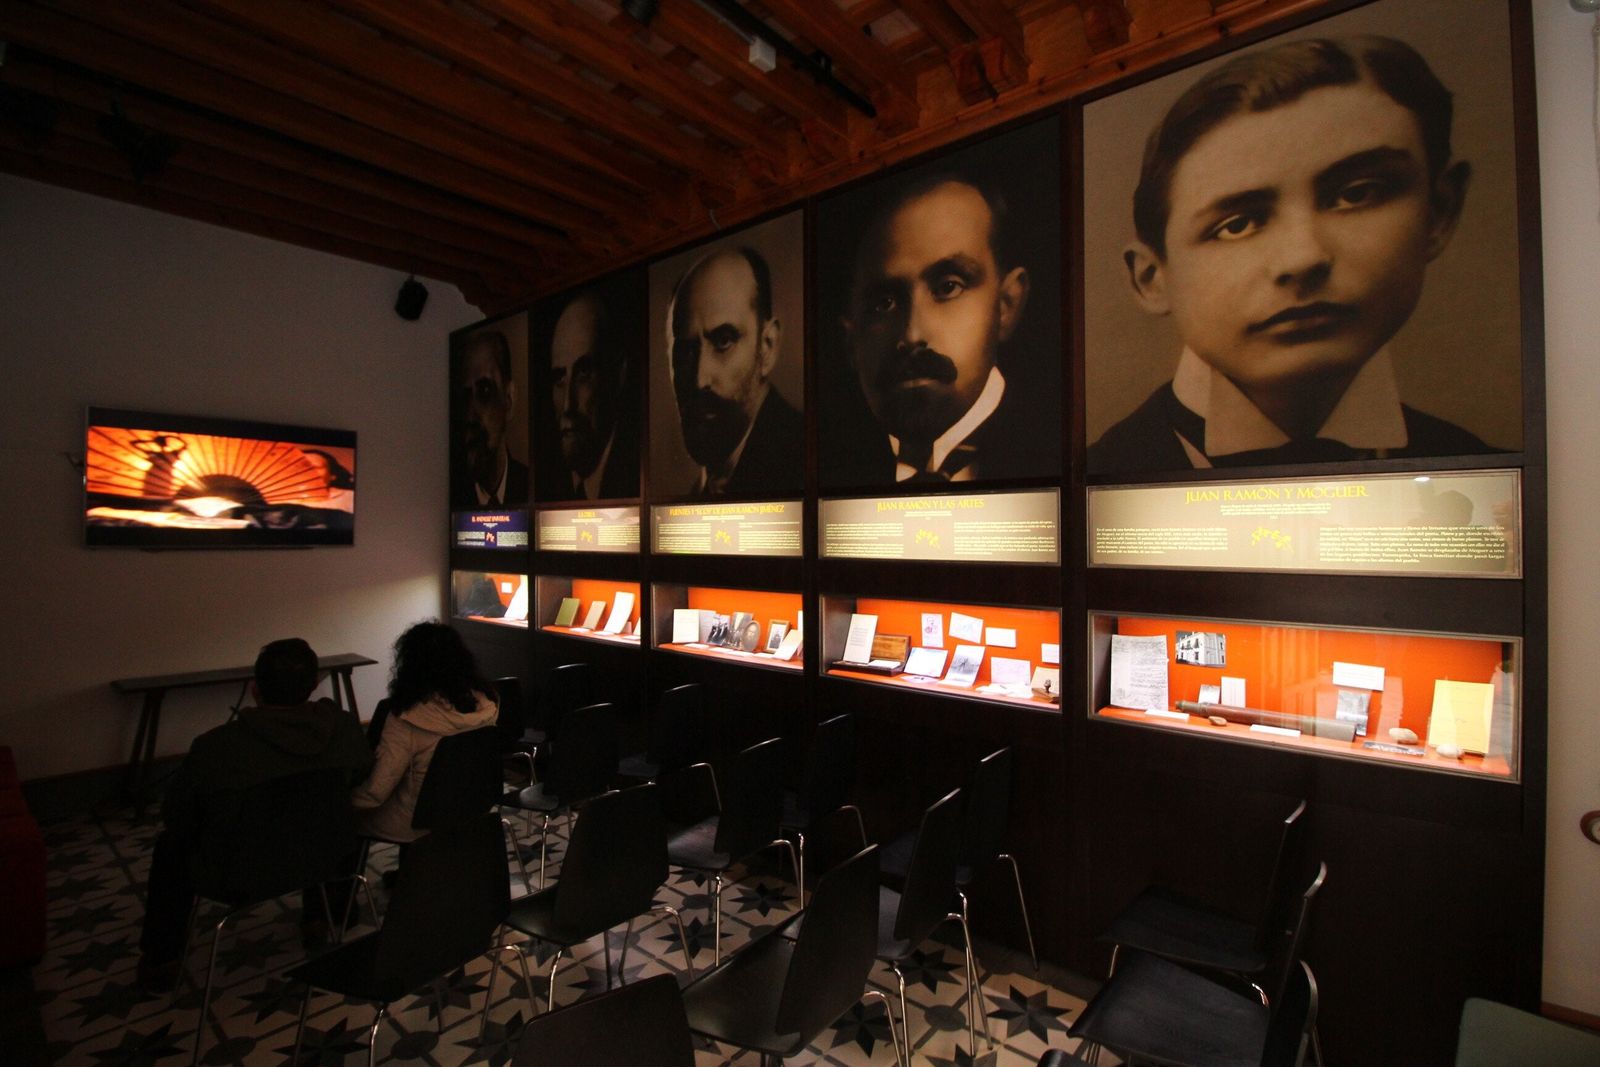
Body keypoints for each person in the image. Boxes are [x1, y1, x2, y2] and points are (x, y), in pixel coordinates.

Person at [1088, 35, 1497, 474]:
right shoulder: (1107, 467)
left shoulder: (1475, 467)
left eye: (1357, 195)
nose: (1303, 258)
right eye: (1237, 225)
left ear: (1439, 213)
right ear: (1151, 279)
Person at [137, 638, 371, 990]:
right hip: (323, 856)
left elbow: (179, 815)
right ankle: (323, 916)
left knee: (170, 848)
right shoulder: (343, 728)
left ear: (254, 689)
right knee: (342, 816)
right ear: (313, 686)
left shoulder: (216, 747)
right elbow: (361, 778)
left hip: (238, 873)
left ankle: (162, 959)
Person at [836, 173, 1051, 485]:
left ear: (1006, 303)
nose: (912, 335)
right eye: (884, 303)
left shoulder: (1054, 450)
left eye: (948, 287)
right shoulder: (835, 468)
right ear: (850, 338)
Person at [665, 247, 803, 497]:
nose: (699, 379)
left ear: (767, 346)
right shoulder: (704, 486)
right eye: (685, 351)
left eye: (723, 341)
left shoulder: (802, 462)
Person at [349, 621, 499, 843]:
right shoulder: (486, 703)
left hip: (415, 819)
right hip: (471, 807)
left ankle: (353, 877)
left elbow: (377, 791)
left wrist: (344, 802)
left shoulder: (407, 718)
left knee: (346, 822)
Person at [544, 289, 638, 500]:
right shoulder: (553, 486)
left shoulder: (632, 476)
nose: (568, 404)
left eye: (583, 374)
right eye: (559, 378)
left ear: (619, 374)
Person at [452, 328, 529, 508]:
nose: (470, 415)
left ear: (508, 400)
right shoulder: (454, 495)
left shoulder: (532, 485)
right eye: (465, 396)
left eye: (485, 391)